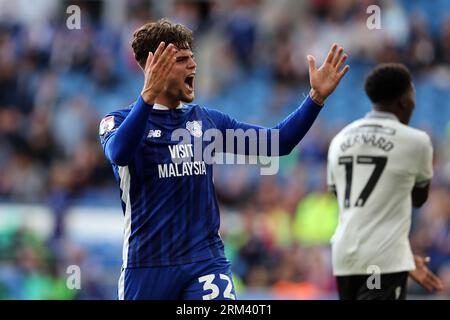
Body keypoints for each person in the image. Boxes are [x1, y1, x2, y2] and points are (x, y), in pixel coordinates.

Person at [99, 18, 349, 300]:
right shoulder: (116, 120)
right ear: (154, 66)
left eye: (192, 58)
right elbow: (119, 153)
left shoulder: (208, 122)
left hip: (205, 262)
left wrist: (315, 99)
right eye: (182, 60)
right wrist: (147, 96)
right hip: (148, 266)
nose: (193, 65)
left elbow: (279, 142)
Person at [327, 63, 443, 300]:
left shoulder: (339, 139)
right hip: (382, 262)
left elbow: (339, 198)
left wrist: (404, 257)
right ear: (403, 100)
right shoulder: (417, 141)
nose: (414, 102)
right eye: (412, 95)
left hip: (344, 258)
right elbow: (418, 200)